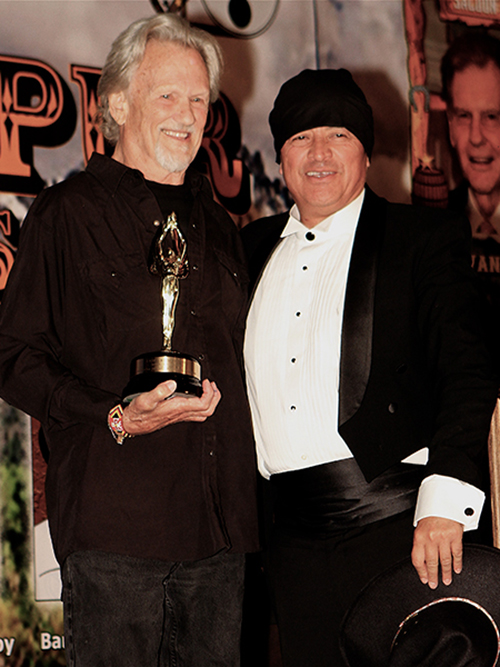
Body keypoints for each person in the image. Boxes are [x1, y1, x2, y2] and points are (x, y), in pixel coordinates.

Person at [0, 14, 258, 667]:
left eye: (198, 99)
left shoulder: (223, 229)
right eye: (168, 94)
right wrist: (112, 413)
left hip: (220, 537)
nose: (188, 114)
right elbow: (13, 355)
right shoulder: (65, 214)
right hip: (115, 531)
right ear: (116, 103)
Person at [241, 68, 497, 667]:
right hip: (290, 546)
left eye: (339, 135)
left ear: (365, 150)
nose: (320, 153)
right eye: (302, 137)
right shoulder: (247, 250)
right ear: (279, 156)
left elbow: (468, 370)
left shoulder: (420, 237)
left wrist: (446, 501)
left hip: (404, 531)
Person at [442, 32, 500, 365]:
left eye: (492, 116)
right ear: (451, 126)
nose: (476, 137)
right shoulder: (429, 230)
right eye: (464, 116)